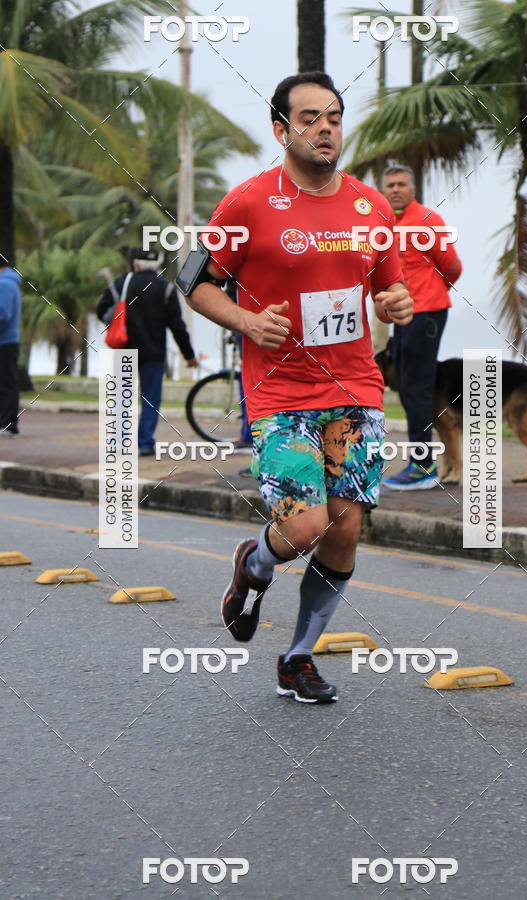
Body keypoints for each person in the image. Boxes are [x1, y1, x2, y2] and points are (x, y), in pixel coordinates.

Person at [185, 72, 413, 703]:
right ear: (281, 129)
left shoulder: (370, 208)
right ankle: (253, 565)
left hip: (357, 390)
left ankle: (297, 657)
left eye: (334, 117)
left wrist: (396, 303)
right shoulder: (248, 203)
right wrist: (247, 320)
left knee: (343, 531)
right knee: (307, 524)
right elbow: (194, 281)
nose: (325, 128)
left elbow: (390, 289)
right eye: (309, 118)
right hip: (282, 392)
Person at [380, 165, 462, 491]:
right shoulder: (385, 225)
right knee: (406, 385)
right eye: (390, 185)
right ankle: (421, 462)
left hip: (426, 314)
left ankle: (423, 466)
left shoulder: (427, 220)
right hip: (402, 317)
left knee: (416, 388)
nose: (396, 189)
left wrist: (433, 294)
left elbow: (452, 266)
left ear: (412, 188)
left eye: (401, 183)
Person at [97, 248, 197, 456]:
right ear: (157, 265)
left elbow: (101, 309)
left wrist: (115, 321)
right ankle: (144, 443)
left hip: (123, 349)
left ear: (135, 264)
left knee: (121, 397)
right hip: (154, 352)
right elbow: (177, 326)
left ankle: (118, 443)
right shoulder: (165, 288)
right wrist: (188, 355)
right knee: (150, 398)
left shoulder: (120, 283)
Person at [0, 263, 22, 437]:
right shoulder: (8, 282)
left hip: (4, 342)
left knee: (6, 384)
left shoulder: (4, 284)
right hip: (7, 341)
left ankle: (8, 425)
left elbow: (2, 315)